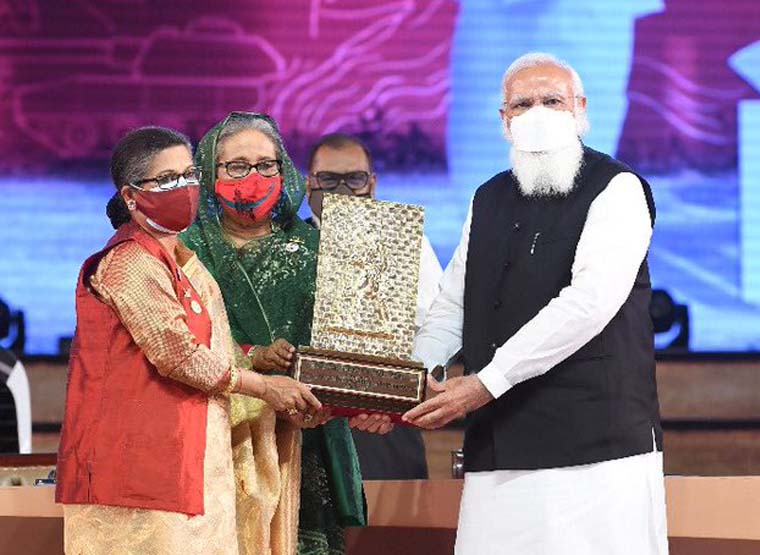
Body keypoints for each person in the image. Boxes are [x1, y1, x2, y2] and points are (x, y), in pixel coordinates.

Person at [404, 53, 668, 554]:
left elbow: (588, 304)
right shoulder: (488, 198)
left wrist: (485, 383)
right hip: (499, 444)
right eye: (523, 104)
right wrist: (410, 380)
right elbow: (453, 305)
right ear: (504, 119)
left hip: (596, 446)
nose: (538, 113)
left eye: (552, 100)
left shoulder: (618, 188)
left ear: (580, 109)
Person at [56, 126, 320, 555]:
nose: (183, 188)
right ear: (131, 196)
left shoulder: (183, 264)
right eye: (166, 179)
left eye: (188, 175)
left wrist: (279, 395)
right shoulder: (129, 263)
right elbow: (178, 355)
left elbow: (219, 355)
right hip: (136, 474)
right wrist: (266, 387)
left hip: (190, 461)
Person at [182, 112, 391, 555]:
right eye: (237, 166)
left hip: (306, 438)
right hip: (219, 440)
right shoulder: (185, 251)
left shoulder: (318, 246)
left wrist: (364, 399)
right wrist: (251, 355)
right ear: (209, 173)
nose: (253, 177)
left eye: (266, 165)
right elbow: (175, 345)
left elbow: (354, 346)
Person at [305, 133, 443, 479]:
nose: (343, 190)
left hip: (386, 425)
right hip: (303, 424)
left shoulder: (407, 244)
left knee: (392, 515)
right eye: (329, 180)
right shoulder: (287, 245)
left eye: (354, 179)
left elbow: (436, 325)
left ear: (372, 183)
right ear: (309, 185)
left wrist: (398, 393)